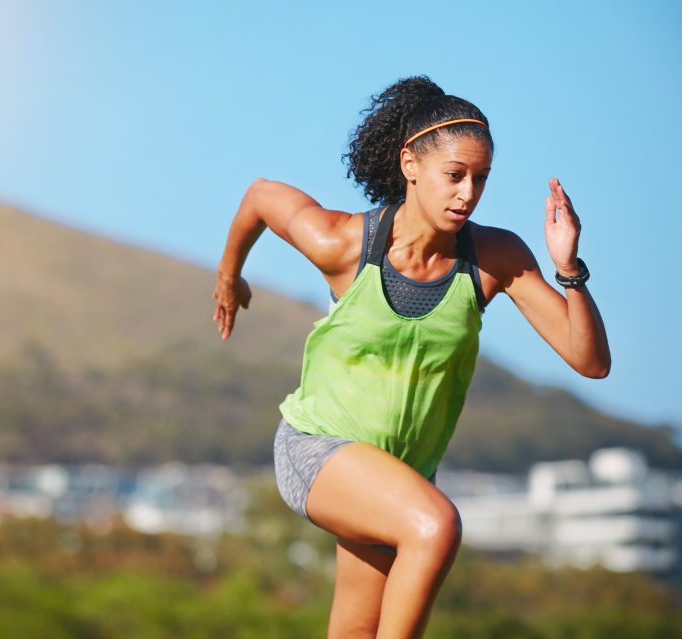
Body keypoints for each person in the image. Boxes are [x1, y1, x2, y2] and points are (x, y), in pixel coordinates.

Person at [212, 75, 610, 639]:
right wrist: (228, 276)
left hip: (399, 474)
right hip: (316, 448)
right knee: (435, 525)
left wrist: (569, 269)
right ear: (410, 164)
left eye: (481, 178)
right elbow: (259, 195)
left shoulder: (494, 257)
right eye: (455, 175)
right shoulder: (343, 244)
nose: (468, 194)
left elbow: (589, 360)